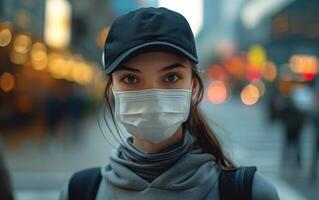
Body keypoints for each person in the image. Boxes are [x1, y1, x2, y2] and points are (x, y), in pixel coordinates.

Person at [59, 7, 279, 200]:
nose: (153, 96)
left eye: (171, 77)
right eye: (131, 79)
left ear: (193, 86)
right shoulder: (78, 192)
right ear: (112, 88)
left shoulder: (250, 193)